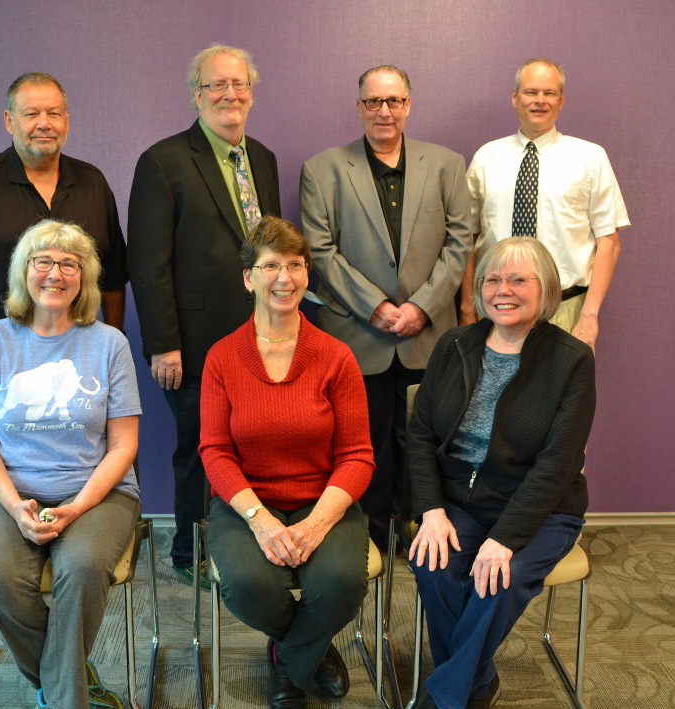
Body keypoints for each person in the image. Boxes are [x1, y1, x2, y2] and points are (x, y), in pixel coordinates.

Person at [400, 237, 596, 709]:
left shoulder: (572, 359)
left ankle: (444, 695)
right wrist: (431, 510)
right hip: (460, 502)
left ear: (546, 289)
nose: (502, 290)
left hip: (541, 509)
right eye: (491, 279)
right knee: (433, 564)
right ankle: (478, 686)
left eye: (518, 280)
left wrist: (506, 537)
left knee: (498, 582)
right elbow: (419, 435)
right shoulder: (454, 345)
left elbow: (557, 464)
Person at [0, 220, 141, 709]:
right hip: (11, 491)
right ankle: (74, 687)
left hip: (99, 492)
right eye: (44, 260)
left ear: (83, 277)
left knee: (83, 567)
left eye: (69, 263)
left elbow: (123, 446)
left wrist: (78, 506)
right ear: (24, 271)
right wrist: (15, 505)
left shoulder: (108, 343)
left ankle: (62, 707)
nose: (56, 272)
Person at [198, 216, 375, 709]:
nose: (285, 277)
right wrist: (260, 520)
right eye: (270, 265)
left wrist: (317, 523)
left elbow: (359, 455)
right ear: (248, 278)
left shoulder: (336, 357)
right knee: (251, 586)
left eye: (295, 265)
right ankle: (312, 649)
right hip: (247, 501)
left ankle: (289, 663)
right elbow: (214, 452)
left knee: (340, 581)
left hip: (324, 499)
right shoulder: (222, 358)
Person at [0, 72, 127, 511]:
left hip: (78, 351)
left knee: (82, 458)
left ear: (67, 120)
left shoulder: (92, 183)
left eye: (54, 113)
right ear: (8, 120)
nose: (44, 123)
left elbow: (113, 278)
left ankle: (78, 532)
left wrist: (114, 343)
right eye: (31, 113)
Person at [300, 65, 471, 549]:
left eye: (394, 101)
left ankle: (417, 530)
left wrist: (422, 306)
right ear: (359, 107)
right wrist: (375, 306)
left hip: (427, 330)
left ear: (409, 105)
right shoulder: (322, 169)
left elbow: (460, 243)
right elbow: (320, 249)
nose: (384, 111)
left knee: (422, 438)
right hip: (357, 333)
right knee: (364, 442)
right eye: (374, 102)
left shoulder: (446, 165)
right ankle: (369, 533)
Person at [127, 45, 280, 588]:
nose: (230, 95)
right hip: (190, 344)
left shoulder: (262, 157)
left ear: (252, 94)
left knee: (253, 444)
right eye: (217, 85)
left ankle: (247, 541)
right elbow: (147, 262)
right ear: (197, 95)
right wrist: (163, 342)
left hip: (259, 337)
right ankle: (189, 550)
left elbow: (270, 250)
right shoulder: (163, 161)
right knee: (198, 446)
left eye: (239, 85)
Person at [462, 58, 630, 348]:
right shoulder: (486, 159)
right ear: (515, 97)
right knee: (494, 394)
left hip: (565, 311)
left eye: (549, 93)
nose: (540, 101)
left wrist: (589, 316)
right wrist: (467, 309)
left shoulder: (591, 158)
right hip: (495, 311)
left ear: (561, 100)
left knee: (564, 394)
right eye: (530, 92)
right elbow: (466, 239)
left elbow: (609, 242)